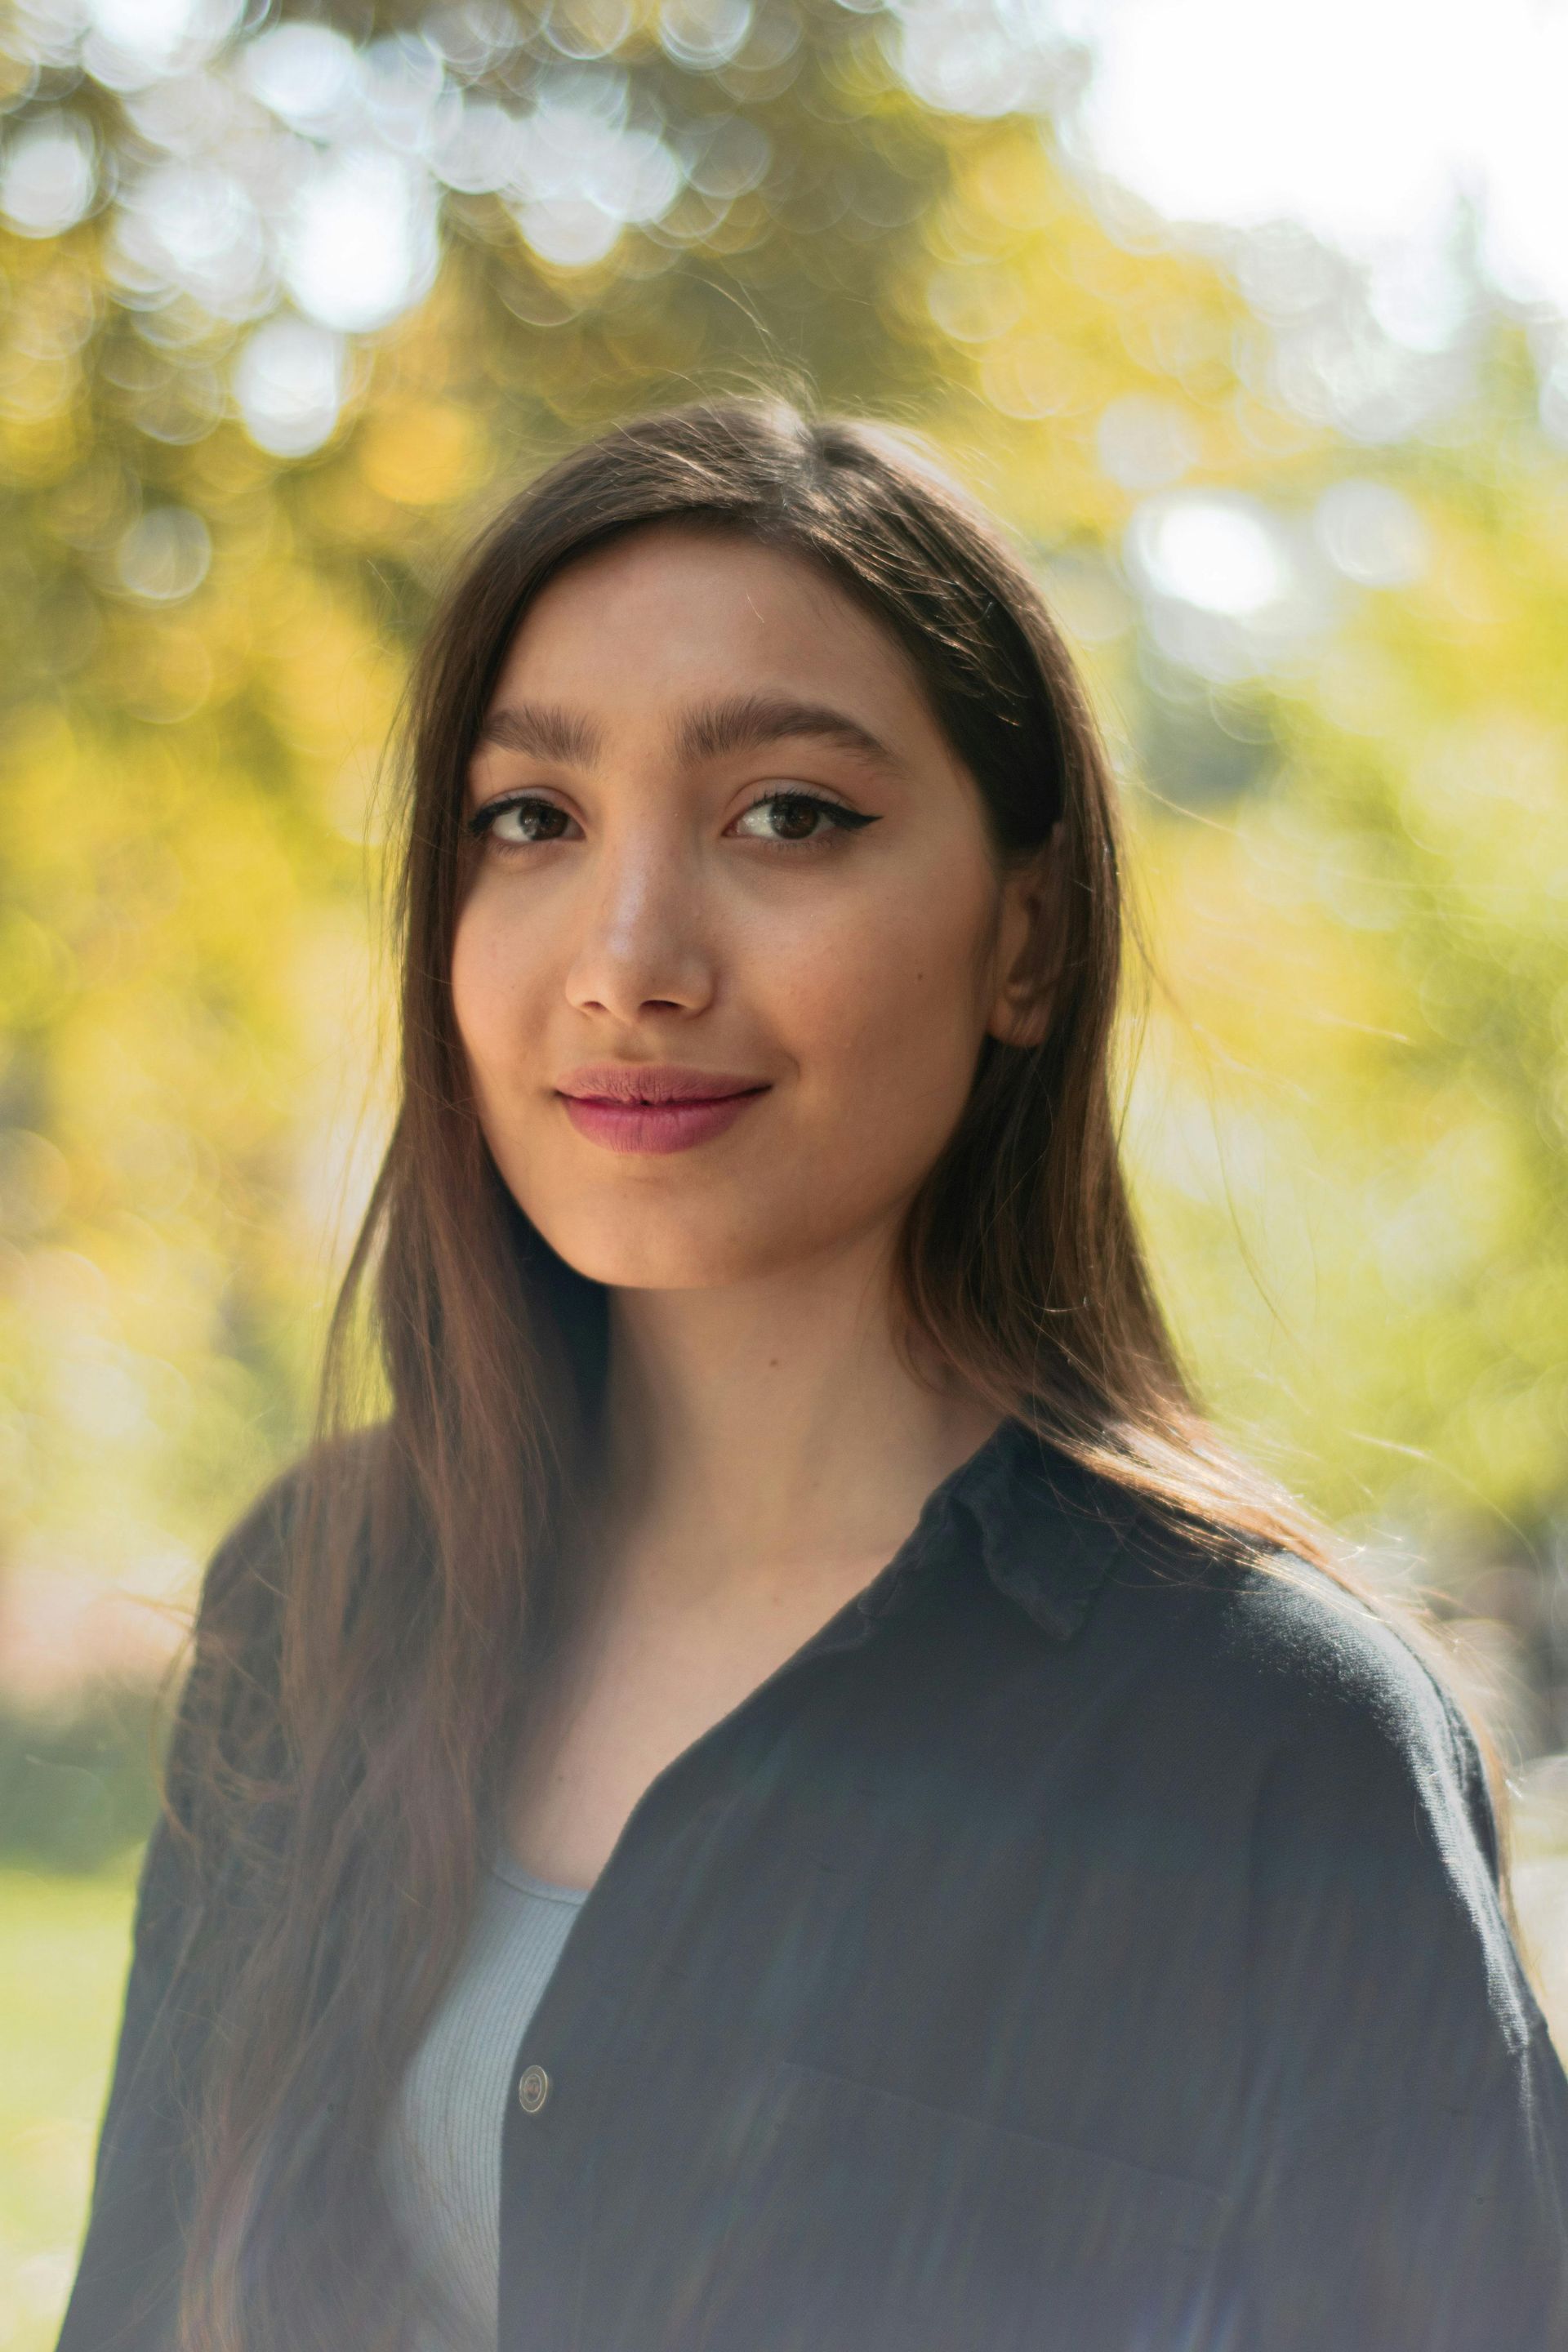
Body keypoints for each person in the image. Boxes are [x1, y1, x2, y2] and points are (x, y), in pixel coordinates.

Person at [58, 399, 1568, 2352]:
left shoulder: (1272, 1739)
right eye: (533, 819)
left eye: (789, 815)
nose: (630, 957)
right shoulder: (321, 1597)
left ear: (1025, 938)